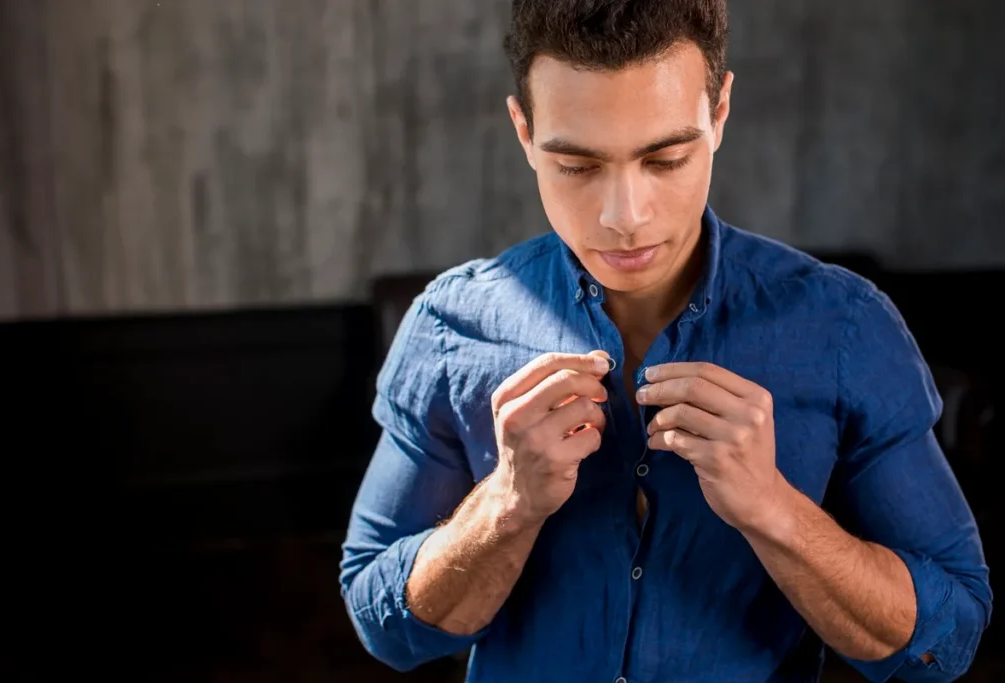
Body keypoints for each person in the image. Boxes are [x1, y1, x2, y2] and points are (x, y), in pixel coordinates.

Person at [339, 1, 992, 681]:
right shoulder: (451, 326)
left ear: (721, 112)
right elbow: (383, 626)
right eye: (578, 167)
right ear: (524, 131)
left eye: (666, 157)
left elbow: (947, 640)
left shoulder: (847, 327)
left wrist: (775, 512)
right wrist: (506, 504)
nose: (625, 217)